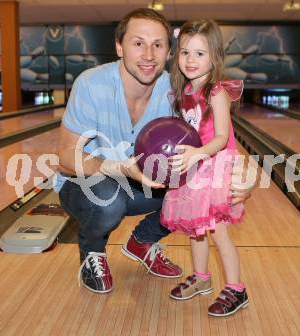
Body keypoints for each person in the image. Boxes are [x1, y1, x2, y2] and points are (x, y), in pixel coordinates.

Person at [56, 8, 252, 294]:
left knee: (190, 195)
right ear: (119, 46)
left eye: (158, 45)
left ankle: (142, 241)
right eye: (138, 43)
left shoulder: (174, 90)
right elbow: (64, 158)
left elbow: (213, 139)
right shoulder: (91, 83)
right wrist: (120, 167)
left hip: (141, 181)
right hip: (86, 183)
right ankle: (92, 252)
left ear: (168, 52)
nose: (148, 54)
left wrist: (241, 180)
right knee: (108, 200)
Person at [161, 19, 249, 317]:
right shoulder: (183, 91)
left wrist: (198, 153)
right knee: (196, 231)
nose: (190, 60)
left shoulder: (217, 92)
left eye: (200, 53)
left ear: (215, 56)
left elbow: (222, 137)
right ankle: (201, 278)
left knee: (218, 232)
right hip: (195, 167)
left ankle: (237, 288)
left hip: (215, 165)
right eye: (185, 52)